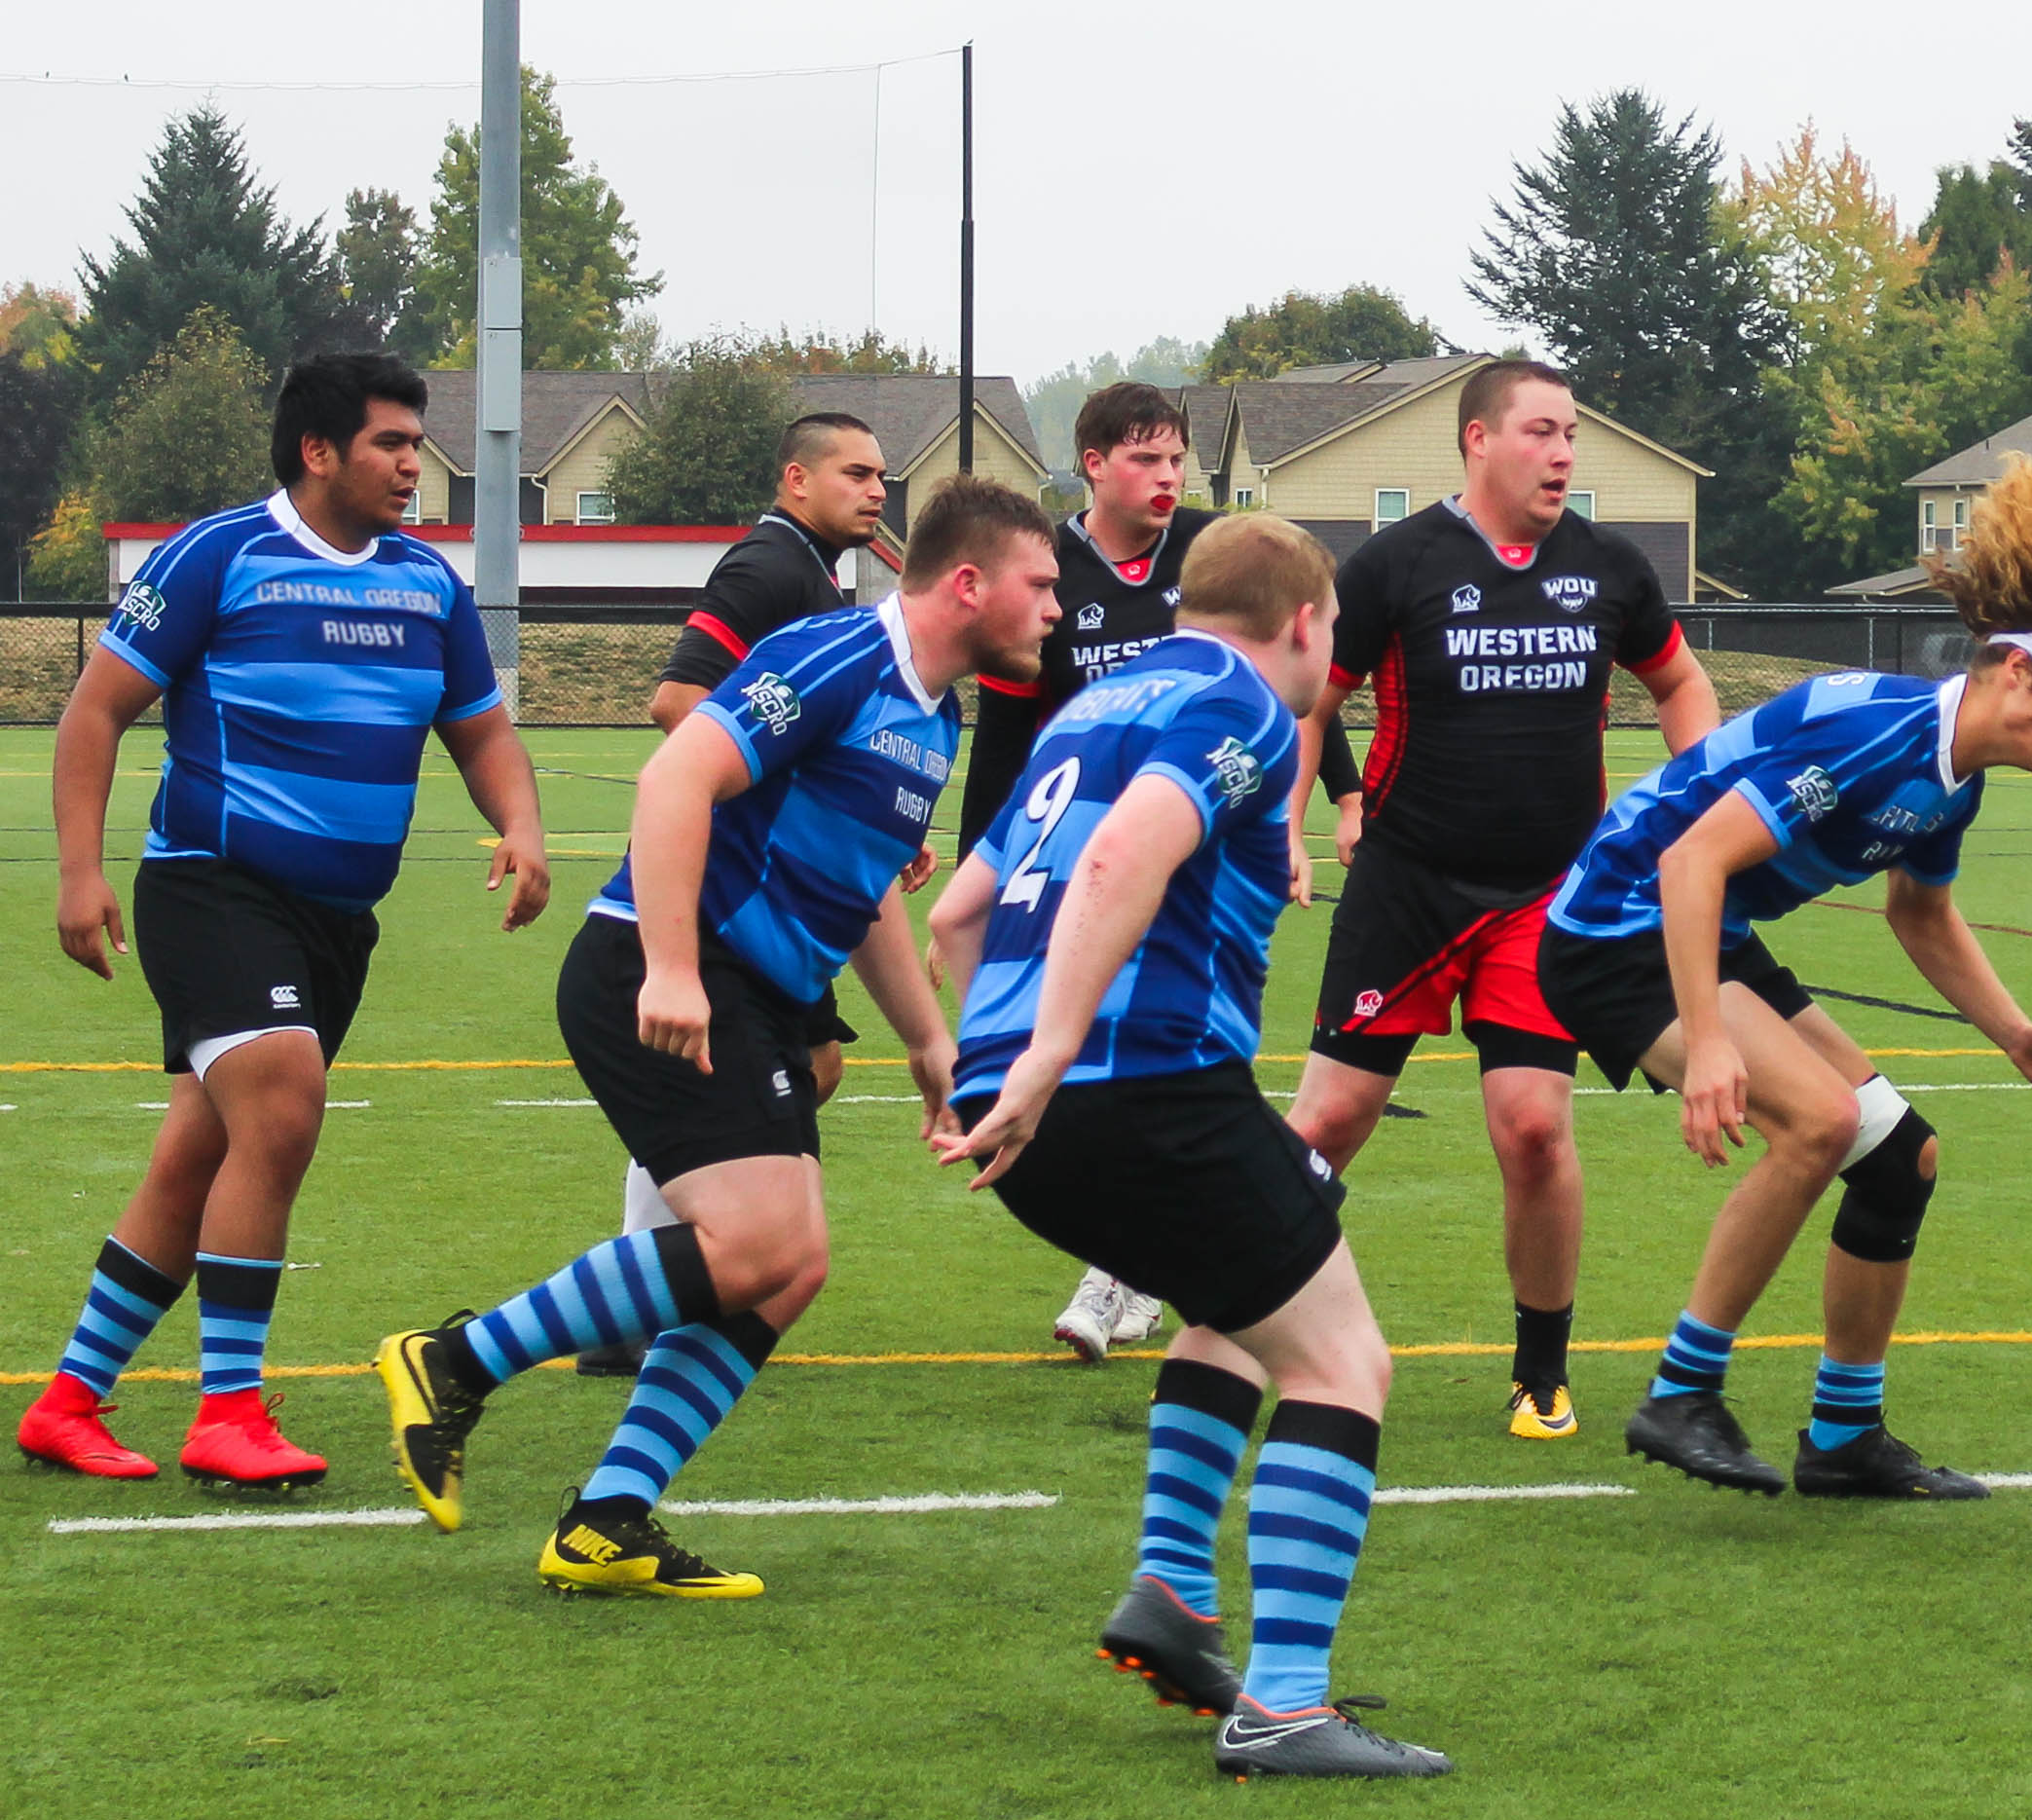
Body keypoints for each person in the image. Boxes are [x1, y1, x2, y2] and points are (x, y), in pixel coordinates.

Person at [373, 477, 1056, 1597]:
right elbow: (678, 772)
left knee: (786, 1270)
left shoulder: (933, 712)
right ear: (970, 583)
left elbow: (865, 884)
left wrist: (930, 1043)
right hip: (660, 972)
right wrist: (674, 964)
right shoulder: (840, 657)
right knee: (756, 1247)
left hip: (753, 993)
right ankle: (450, 1360)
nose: (1054, 610)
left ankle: (607, 1518)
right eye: (1040, 586)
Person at [929, 513, 1447, 1780]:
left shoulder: (1086, 709)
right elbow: (1124, 852)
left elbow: (959, 908)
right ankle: (1281, 1706)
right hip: (1136, 1086)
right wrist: (1058, 1052)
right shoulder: (1246, 704)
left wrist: (991, 1063)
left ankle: (1169, 1589)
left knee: (1235, 1302)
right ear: (1308, 624)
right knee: (1340, 1360)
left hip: (1036, 1105)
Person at [1539, 456, 2032, 1499]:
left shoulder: (1953, 781)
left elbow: (1921, 912)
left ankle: (1845, 1433)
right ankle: (1683, 1390)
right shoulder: (1873, 735)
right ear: (2014, 670)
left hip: (1706, 928)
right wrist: (1708, 1038)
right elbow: (1688, 861)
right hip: (1618, 925)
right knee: (1815, 1123)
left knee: (1901, 1156)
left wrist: (2016, 1033)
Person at [16, 352, 549, 1487]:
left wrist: (522, 825)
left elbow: (483, 731)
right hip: (213, 887)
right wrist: (78, 872)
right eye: (391, 443)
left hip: (336, 920)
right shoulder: (220, 555)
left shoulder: (427, 585)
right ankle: (228, 1409)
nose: (415, 465)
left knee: (201, 1148)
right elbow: (95, 709)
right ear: (319, 451)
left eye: (417, 443)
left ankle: (67, 1400)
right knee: (285, 1103)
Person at [1282, 359, 1721, 1442]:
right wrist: (1283, 825)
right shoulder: (1398, 562)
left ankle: (1540, 1367)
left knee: (1532, 1128)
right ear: (1479, 440)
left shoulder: (1608, 566)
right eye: (1541, 430)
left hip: (1547, 896)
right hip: (1406, 885)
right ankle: (1235, 1310)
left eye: (1571, 432)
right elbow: (1312, 699)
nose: (1564, 451)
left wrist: (1702, 806)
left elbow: (1677, 682)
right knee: (1331, 1120)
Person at [954, 381, 1366, 1363]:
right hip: (1118, 896)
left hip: (1134, 853)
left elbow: (1298, 707)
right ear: (1093, 462)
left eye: (1178, 458)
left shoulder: (1216, 559)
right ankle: (1127, 1274)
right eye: (1146, 458)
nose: (1168, 476)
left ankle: (1126, 1279)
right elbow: (1030, 746)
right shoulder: (1056, 578)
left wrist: (1326, 803)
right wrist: (1011, 874)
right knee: (1340, 1356)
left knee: (1231, 1290)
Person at [576, 411, 914, 1379]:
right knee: (736, 1085)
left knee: (812, 1067)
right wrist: (799, 791)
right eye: (855, 471)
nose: (876, 489)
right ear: (794, 480)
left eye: (882, 473)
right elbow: (679, 703)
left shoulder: (818, 578)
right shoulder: (769, 568)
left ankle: (679, 1278)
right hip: (742, 886)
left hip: (785, 883)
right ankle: (654, 1294)